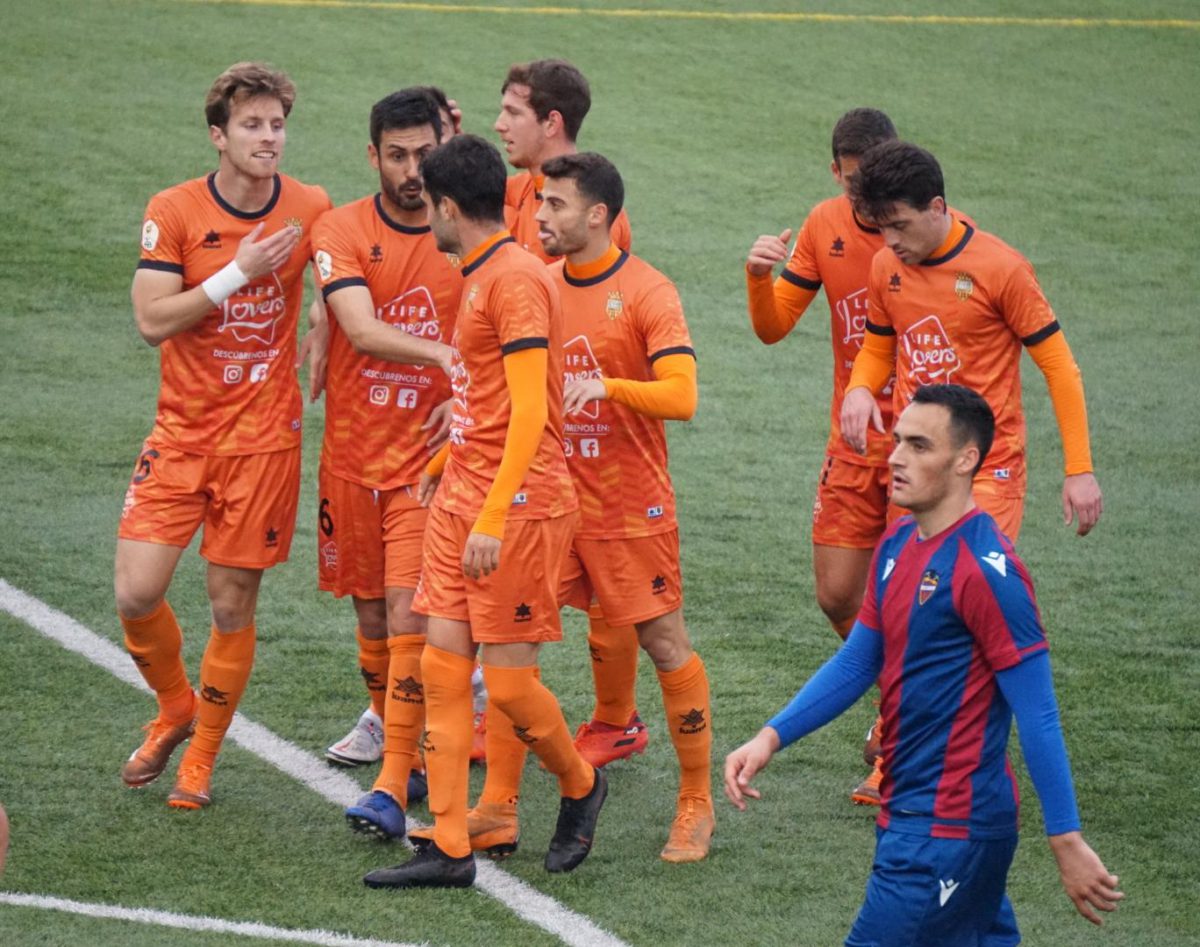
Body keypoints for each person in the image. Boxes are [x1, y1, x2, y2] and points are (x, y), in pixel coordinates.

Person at [725, 384, 1123, 945]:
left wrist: (1066, 839)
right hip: (914, 815)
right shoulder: (898, 542)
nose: (895, 457)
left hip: (947, 831)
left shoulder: (988, 574)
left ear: (965, 460)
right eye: (897, 441)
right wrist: (771, 737)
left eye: (918, 445)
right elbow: (861, 659)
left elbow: (1038, 715)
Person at [436, 152, 714, 863]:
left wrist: (610, 387)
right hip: (547, 503)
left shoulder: (648, 290)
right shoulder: (538, 283)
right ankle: (498, 806)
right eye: (538, 203)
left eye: (555, 204)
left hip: (627, 509)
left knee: (664, 644)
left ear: (598, 215)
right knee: (510, 656)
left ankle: (695, 800)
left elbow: (682, 395)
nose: (540, 216)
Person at [363, 135, 604, 890]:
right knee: (441, 669)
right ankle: (452, 845)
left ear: (444, 206)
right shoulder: (476, 272)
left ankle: (579, 782)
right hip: (465, 492)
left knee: (507, 688)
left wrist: (494, 515)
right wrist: (445, 463)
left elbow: (532, 412)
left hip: (520, 505)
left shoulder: (517, 280)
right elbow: (484, 396)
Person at [116, 62, 331, 809]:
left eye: (277, 124)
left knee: (231, 607)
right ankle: (176, 703)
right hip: (180, 434)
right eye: (252, 125)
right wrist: (233, 275)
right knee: (136, 592)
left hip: (264, 443)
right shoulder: (173, 210)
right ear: (218, 135)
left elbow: (339, 276)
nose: (268, 137)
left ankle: (200, 758)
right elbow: (151, 321)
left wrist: (321, 322)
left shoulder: (308, 206)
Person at [306, 88, 462, 838]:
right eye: (395, 155)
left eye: (424, 154)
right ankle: (400, 719)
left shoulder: (468, 229)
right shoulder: (339, 227)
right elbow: (360, 328)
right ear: (372, 156)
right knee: (371, 614)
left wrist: (466, 397)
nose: (411, 170)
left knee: (408, 615)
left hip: (426, 468)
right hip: (350, 460)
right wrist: (444, 354)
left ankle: (394, 781)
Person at [745, 107, 899, 805]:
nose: (865, 199)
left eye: (875, 183)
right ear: (835, 171)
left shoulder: (919, 233)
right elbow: (774, 327)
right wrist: (758, 276)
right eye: (853, 182)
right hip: (853, 441)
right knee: (838, 594)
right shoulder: (822, 225)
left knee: (907, 601)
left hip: (918, 455)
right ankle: (905, 687)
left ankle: (903, 736)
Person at [495, 57, 645, 767]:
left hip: (580, 431)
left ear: (550, 122)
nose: (501, 125)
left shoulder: (591, 215)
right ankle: (498, 721)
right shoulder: (509, 193)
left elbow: (602, 317)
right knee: (519, 579)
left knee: (605, 581)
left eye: (512, 113)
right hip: (520, 417)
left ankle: (615, 717)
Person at [841, 140, 1103, 544]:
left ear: (937, 207)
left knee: (966, 586)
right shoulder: (884, 267)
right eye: (880, 228)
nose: (889, 241)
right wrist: (860, 389)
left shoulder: (1002, 269)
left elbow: (1058, 366)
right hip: (915, 463)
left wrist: (1079, 469)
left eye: (899, 225)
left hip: (986, 467)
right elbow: (878, 348)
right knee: (913, 600)